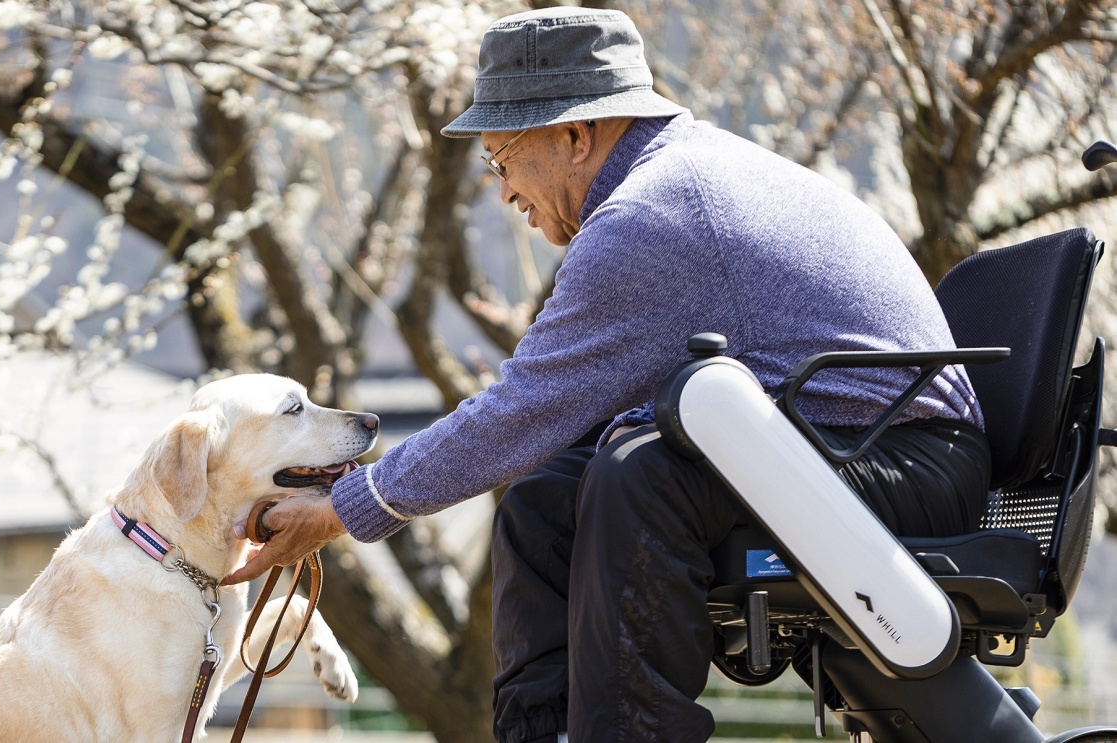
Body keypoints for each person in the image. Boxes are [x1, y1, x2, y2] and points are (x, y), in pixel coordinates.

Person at [222, 6, 990, 742]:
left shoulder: (649, 218)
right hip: (845, 453)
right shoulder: (676, 180)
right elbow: (542, 427)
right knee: (546, 493)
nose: (503, 192)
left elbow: (521, 408)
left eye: (502, 160)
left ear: (576, 135)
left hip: (901, 462)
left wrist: (344, 507)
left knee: (643, 472)